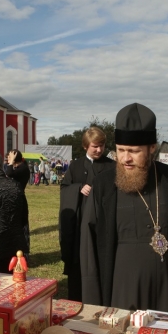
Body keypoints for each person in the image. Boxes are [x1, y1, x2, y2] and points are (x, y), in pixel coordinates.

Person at [80, 103, 168, 314]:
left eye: (134, 151)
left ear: (152, 148)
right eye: (121, 150)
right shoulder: (104, 184)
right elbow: (89, 244)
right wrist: (92, 301)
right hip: (121, 289)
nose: (126, 158)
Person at [59, 126, 114, 301]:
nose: (99, 150)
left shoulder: (111, 166)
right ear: (85, 146)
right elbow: (64, 188)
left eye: (101, 146)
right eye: (94, 146)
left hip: (102, 223)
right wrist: (78, 189)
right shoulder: (75, 166)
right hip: (79, 224)